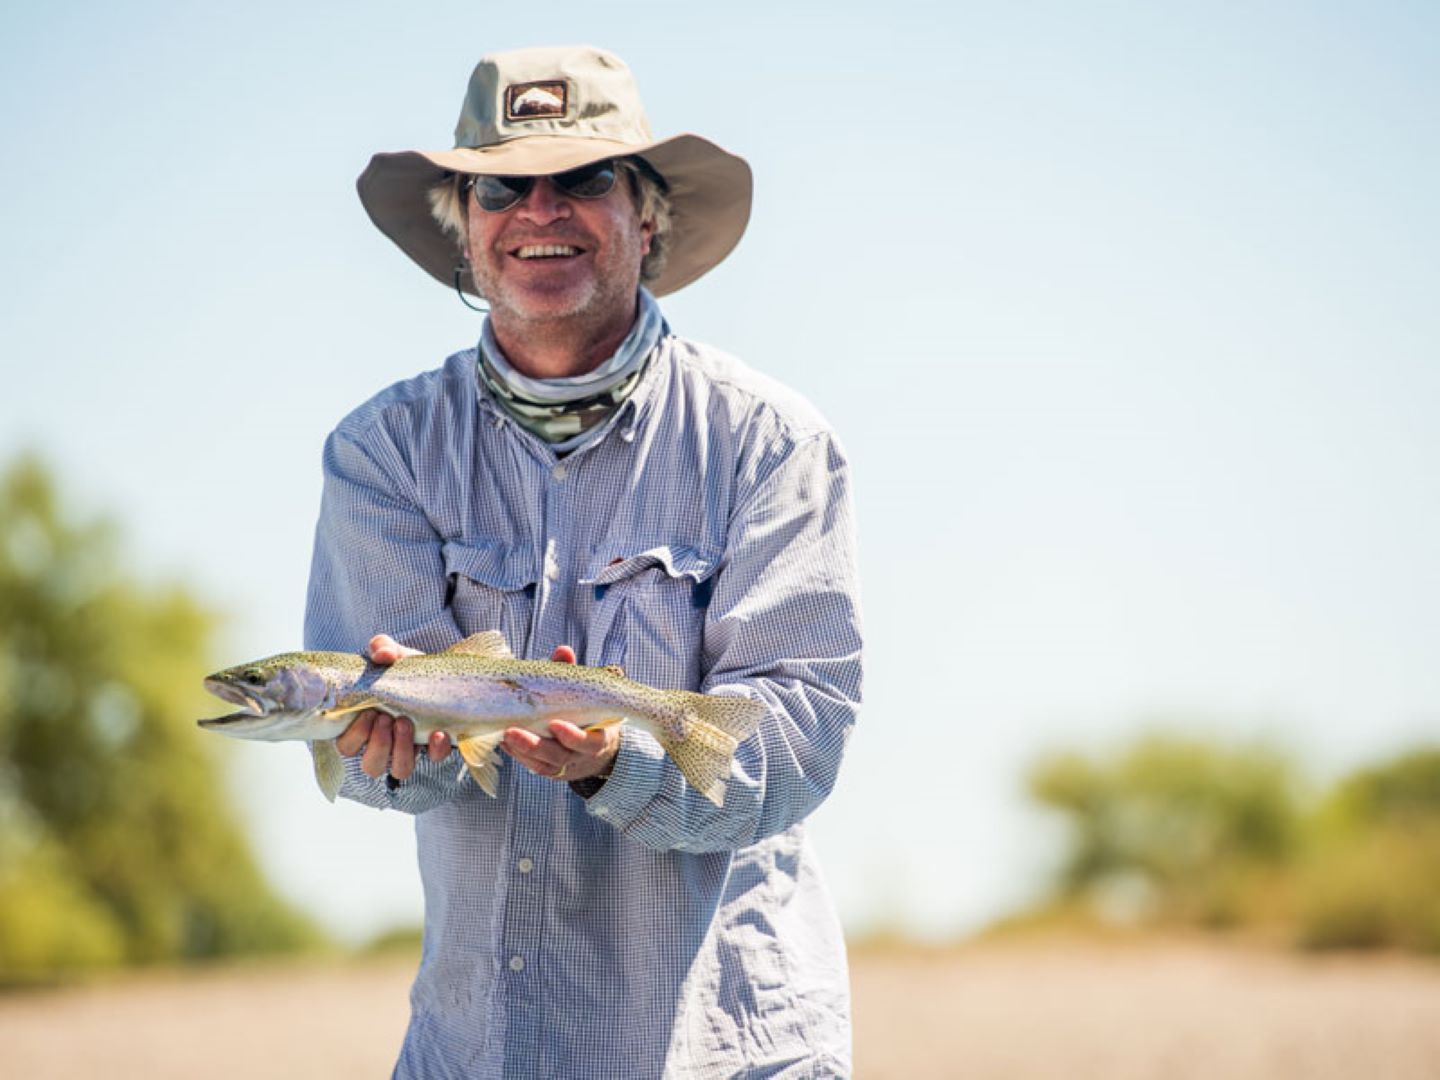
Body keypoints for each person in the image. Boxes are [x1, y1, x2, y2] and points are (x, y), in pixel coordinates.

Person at [305, 44, 863, 1078]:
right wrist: (392, 752)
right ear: (462, 229)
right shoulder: (381, 454)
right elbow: (384, 772)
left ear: (647, 217)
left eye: (584, 176)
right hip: (478, 1049)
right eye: (500, 187)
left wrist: (618, 761)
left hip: (730, 1051)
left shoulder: (771, 442)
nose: (540, 208)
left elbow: (798, 737)